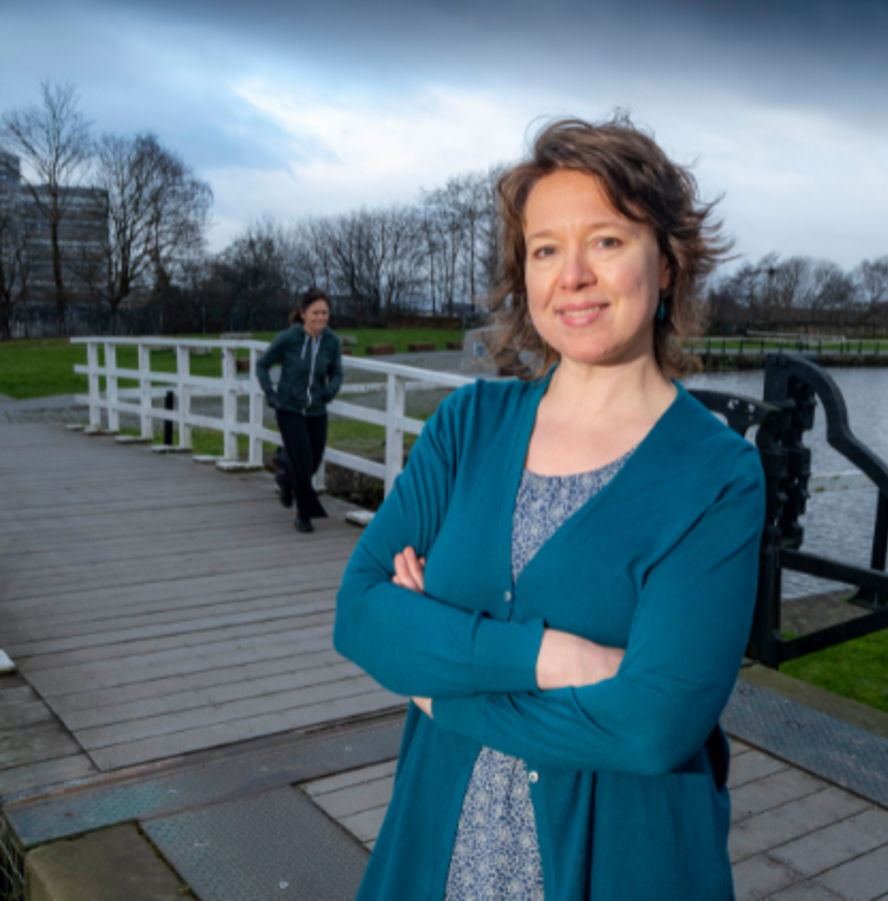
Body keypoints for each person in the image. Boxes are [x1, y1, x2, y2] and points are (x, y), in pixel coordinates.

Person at [334, 116, 766, 900]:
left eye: (605, 240)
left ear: (666, 264)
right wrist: (551, 658)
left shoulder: (718, 474)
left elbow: (651, 725)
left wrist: (439, 684)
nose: (572, 275)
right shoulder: (467, 428)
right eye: (544, 249)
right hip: (442, 853)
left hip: (622, 862)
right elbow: (360, 613)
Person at [256, 288, 343, 533]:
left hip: (317, 408)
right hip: (289, 407)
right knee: (303, 464)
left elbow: (337, 371)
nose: (321, 318)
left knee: (313, 461)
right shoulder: (289, 338)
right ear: (303, 313)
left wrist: (332, 389)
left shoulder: (332, 341)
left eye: (325, 313)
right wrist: (270, 393)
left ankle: (285, 477)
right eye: (315, 312)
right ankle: (304, 515)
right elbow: (262, 364)